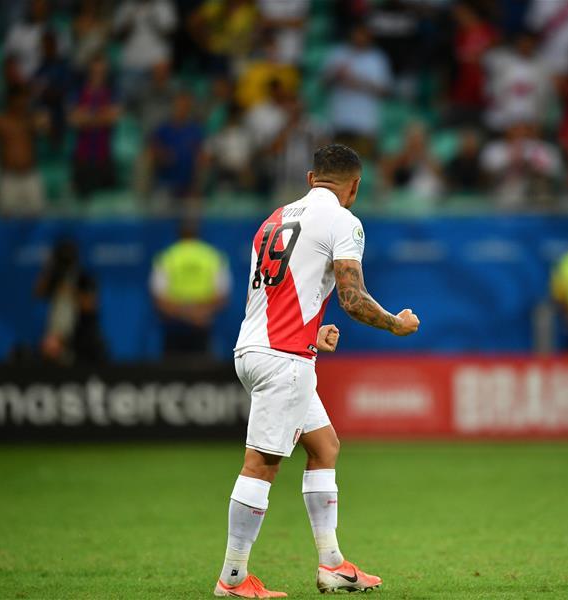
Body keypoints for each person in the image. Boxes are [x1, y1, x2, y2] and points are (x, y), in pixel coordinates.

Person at [213, 144, 419, 597]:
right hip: (283, 358)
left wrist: (313, 328)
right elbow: (352, 297)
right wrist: (395, 324)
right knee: (262, 464)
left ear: (311, 179)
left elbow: (277, 294)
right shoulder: (345, 222)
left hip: (258, 347)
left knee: (324, 447)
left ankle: (331, 565)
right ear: (355, 187)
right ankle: (232, 579)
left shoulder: (275, 218)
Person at [150, 222, 231, 358]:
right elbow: (222, 296)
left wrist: (183, 313)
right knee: (204, 376)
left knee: (171, 376)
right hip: (198, 325)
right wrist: (195, 315)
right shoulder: (212, 256)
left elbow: (159, 298)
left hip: (175, 327)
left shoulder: (167, 256)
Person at [0, 87, 49, 215]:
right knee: (6, 218)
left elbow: (48, 135)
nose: (22, 103)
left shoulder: (31, 120)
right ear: (10, 101)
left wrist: (43, 125)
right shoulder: (1, 121)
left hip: (29, 175)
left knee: (38, 216)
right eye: (19, 100)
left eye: (24, 100)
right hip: (8, 177)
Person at [322, 25, 392, 157]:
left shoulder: (377, 58)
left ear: (369, 37)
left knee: (361, 168)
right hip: (338, 121)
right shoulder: (338, 53)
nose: (359, 38)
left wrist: (360, 83)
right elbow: (324, 84)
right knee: (336, 167)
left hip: (365, 125)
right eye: (357, 34)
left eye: (363, 35)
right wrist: (337, 76)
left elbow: (385, 92)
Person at [35, 239, 107, 365]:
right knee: (47, 349)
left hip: (81, 338)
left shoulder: (83, 278)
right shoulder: (55, 278)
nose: (65, 263)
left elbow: (91, 305)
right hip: (56, 336)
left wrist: (69, 292)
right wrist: (48, 268)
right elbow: (38, 293)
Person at [70, 57, 120, 198]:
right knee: (81, 206)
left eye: (102, 71)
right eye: (95, 71)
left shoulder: (112, 93)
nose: (98, 74)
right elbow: (74, 120)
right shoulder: (79, 92)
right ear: (89, 72)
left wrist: (87, 116)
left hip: (104, 156)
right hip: (83, 157)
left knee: (107, 205)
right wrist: (101, 115)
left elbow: (113, 118)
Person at [150, 91, 205, 199]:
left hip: (188, 186)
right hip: (165, 184)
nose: (182, 109)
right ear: (173, 106)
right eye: (179, 105)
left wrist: (199, 159)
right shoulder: (163, 129)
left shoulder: (195, 130)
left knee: (194, 206)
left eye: (186, 106)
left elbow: (201, 153)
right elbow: (152, 149)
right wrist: (163, 155)